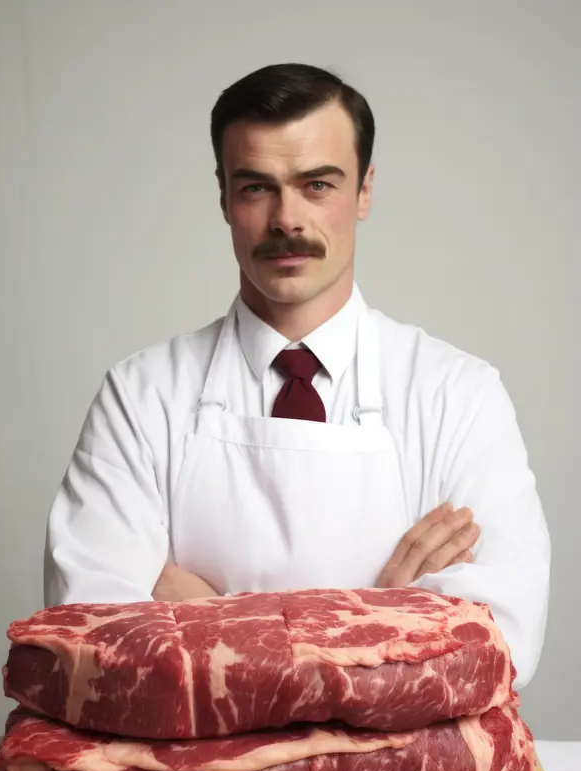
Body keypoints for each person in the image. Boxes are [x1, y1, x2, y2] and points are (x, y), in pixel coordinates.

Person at [43, 62, 550, 688]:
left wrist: (197, 611)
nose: (287, 219)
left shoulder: (459, 396)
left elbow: (498, 645)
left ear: (364, 191)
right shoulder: (140, 396)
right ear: (224, 196)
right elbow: (95, 644)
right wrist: (381, 616)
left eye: (317, 185)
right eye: (257, 187)